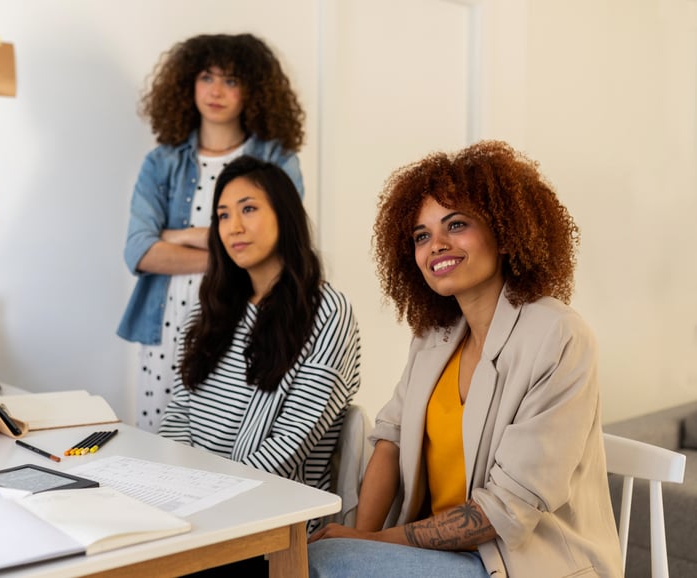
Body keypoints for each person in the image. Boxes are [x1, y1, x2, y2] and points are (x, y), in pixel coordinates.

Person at [307, 141, 622, 577]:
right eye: (421, 235)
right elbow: (390, 439)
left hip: (525, 564)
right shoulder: (434, 337)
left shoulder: (558, 335)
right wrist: (360, 536)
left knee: (317, 562)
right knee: (308, 557)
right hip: (446, 557)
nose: (436, 244)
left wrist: (370, 544)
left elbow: (505, 511)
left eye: (456, 225)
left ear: (506, 230)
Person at [117, 33, 306, 433]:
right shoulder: (162, 161)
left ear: (253, 92)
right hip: (164, 323)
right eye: (207, 77)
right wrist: (234, 251)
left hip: (246, 313)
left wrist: (175, 234)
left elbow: (285, 240)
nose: (216, 91)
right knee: (159, 440)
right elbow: (140, 252)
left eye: (232, 80)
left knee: (223, 433)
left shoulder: (276, 159)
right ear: (188, 83)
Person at [160, 155, 360, 512]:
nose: (233, 227)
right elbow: (178, 412)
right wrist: (173, 488)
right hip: (191, 503)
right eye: (223, 215)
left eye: (248, 209)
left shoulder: (328, 312)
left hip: (268, 515)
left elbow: (293, 440)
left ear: (284, 216)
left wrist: (210, 497)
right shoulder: (208, 309)